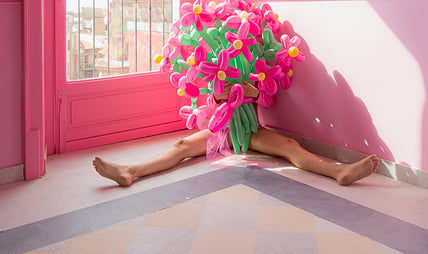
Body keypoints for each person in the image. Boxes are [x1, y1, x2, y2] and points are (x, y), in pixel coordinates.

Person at [93, 79, 379, 187]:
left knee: (290, 145)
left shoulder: (255, 69)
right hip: (223, 131)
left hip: (252, 131)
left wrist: (254, 90)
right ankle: (130, 171)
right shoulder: (215, 70)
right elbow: (208, 105)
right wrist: (220, 95)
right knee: (181, 145)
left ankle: (339, 171)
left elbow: (269, 99)